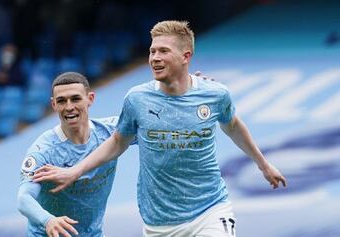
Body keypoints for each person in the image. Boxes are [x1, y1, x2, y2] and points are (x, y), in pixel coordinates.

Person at [33, 20, 287, 237]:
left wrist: (264, 165)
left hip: (209, 208)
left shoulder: (215, 95)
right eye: (152, 51)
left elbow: (232, 124)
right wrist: (75, 171)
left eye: (163, 51)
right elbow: (118, 141)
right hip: (159, 221)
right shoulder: (137, 99)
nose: (154, 58)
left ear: (185, 56)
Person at [17, 72, 130, 237]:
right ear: (53, 104)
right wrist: (48, 220)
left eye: (76, 99)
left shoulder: (112, 132)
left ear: (90, 99)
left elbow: (151, 130)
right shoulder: (43, 151)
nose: (69, 107)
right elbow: (24, 198)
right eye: (62, 101)